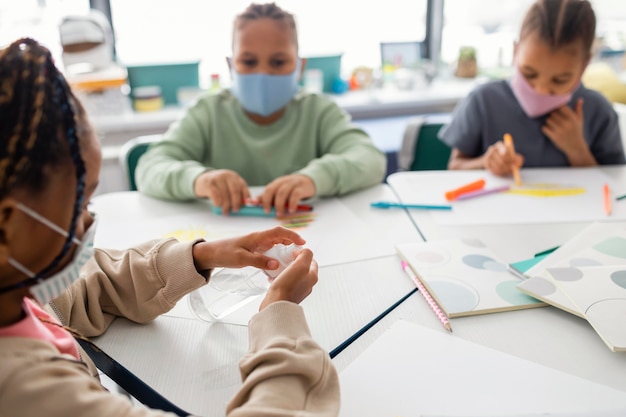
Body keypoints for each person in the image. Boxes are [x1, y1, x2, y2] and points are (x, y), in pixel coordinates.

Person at [0, 38, 339, 417]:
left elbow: (92, 286)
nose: (89, 223)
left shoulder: (18, 292)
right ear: (7, 223)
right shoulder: (27, 391)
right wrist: (281, 317)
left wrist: (200, 256)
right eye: (80, 204)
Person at [135, 2, 386, 217]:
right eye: (249, 61)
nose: (263, 73)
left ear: (299, 66)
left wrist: (313, 179)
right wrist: (199, 179)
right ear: (230, 65)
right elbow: (150, 167)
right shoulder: (207, 112)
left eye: (278, 62)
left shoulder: (318, 111)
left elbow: (370, 158)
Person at [439, 0, 626, 177]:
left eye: (560, 80)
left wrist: (578, 150)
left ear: (584, 66)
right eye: (529, 74)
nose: (541, 90)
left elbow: (616, 184)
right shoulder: (483, 100)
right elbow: (454, 166)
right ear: (515, 52)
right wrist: (486, 162)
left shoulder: (599, 112)